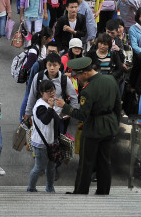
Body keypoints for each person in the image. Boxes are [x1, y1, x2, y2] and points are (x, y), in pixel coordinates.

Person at [61, 56, 121, 195]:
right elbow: (117, 106)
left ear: (85, 73)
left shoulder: (87, 90)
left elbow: (82, 115)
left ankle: (81, 191)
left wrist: (65, 107)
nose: (77, 79)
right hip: (109, 126)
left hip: (93, 128)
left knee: (86, 162)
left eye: (77, 75)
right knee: (105, 162)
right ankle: (103, 191)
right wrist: (115, 125)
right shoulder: (111, 80)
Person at [27, 79, 64, 193]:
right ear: (42, 93)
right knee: (39, 167)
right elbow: (45, 120)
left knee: (51, 167)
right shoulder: (40, 106)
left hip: (51, 141)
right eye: (48, 91)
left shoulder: (49, 103)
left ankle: (50, 188)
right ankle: (31, 188)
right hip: (41, 143)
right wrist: (51, 108)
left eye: (53, 90)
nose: (52, 93)